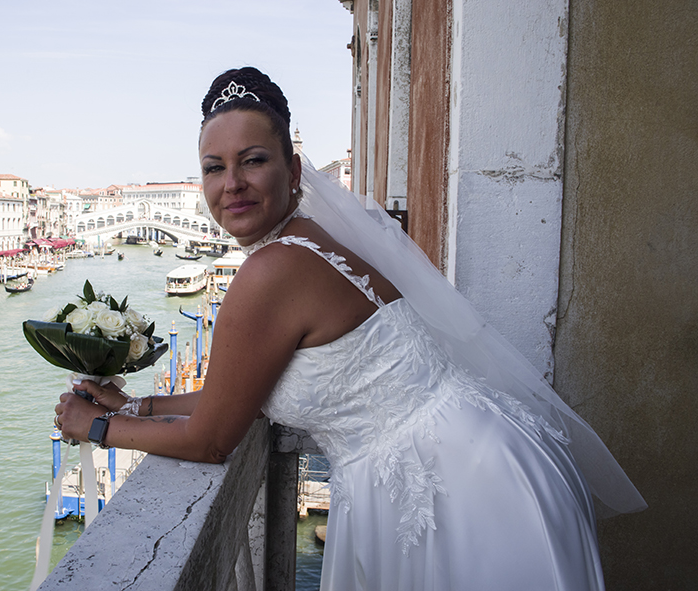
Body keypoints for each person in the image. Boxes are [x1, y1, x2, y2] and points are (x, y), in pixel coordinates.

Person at [55, 67, 645, 590]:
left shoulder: (268, 272)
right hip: (485, 459)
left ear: (292, 169)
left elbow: (213, 440)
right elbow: (240, 398)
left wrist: (99, 426)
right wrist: (140, 406)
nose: (230, 183)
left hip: (454, 494)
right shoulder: (312, 239)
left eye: (253, 160)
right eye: (214, 168)